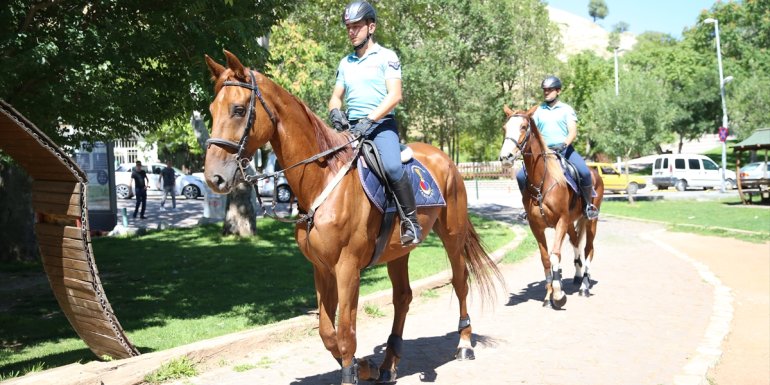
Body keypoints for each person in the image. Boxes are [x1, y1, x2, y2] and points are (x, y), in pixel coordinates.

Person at [328, 1, 421, 245]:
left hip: (381, 126)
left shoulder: (387, 57)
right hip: (351, 127)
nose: (351, 31)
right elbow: (336, 97)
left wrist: (370, 119)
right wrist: (335, 112)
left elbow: (395, 95)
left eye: (356, 26)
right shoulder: (345, 62)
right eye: (348, 27)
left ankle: (411, 222)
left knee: (391, 167)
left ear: (371, 27)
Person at [515, 76, 599, 220]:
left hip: (565, 149)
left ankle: (587, 206)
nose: (546, 92)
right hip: (544, 153)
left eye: (550, 90)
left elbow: (573, 131)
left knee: (585, 173)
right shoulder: (538, 111)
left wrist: (564, 144)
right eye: (545, 90)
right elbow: (534, 133)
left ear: (558, 91)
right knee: (520, 176)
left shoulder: (566, 109)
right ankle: (527, 208)